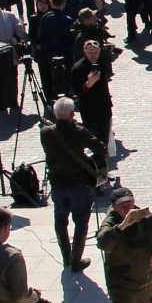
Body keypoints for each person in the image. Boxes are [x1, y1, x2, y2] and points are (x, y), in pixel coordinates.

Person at [39, 97, 101, 274]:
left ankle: (66, 256)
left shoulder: (45, 132)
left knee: (60, 219)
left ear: (54, 113)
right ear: (73, 114)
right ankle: (76, 260)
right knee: (81, 221)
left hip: (58, 183)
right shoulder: (78, 130)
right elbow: (100, 148)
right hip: (79, 184)